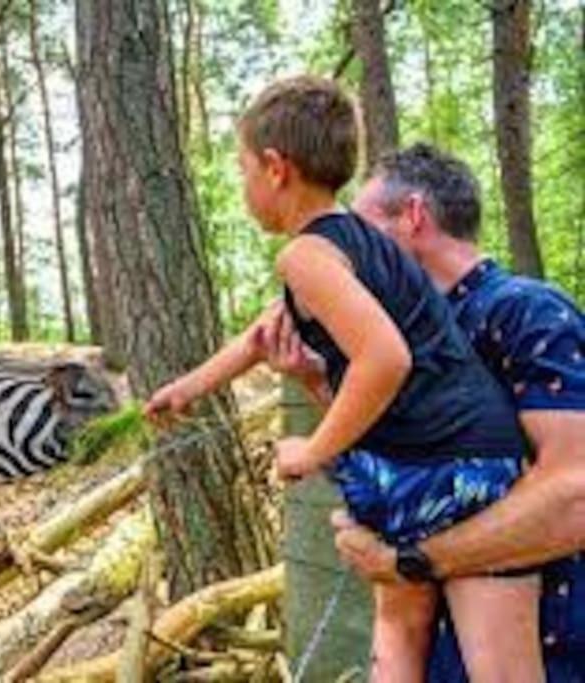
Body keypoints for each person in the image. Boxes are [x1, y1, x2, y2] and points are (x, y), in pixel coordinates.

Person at [143, 76, 542, 682]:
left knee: (490, 666)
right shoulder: (351, 241)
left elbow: (385, 358)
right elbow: (263, 334)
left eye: (243, 167)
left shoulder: (305, 255)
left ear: (276, 168)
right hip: (448, 458)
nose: (243, 183)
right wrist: (190, 388)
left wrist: (314, 448)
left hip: (448, 461)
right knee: (397, 636)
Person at [262, 142, 585, 681]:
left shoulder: (527, 312)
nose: (348, 245)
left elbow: (576, 493)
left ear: (413, 216)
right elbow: (408, 446)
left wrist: (409, 560)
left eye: (359, 227)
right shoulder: (415, 322)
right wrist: (319, 381)